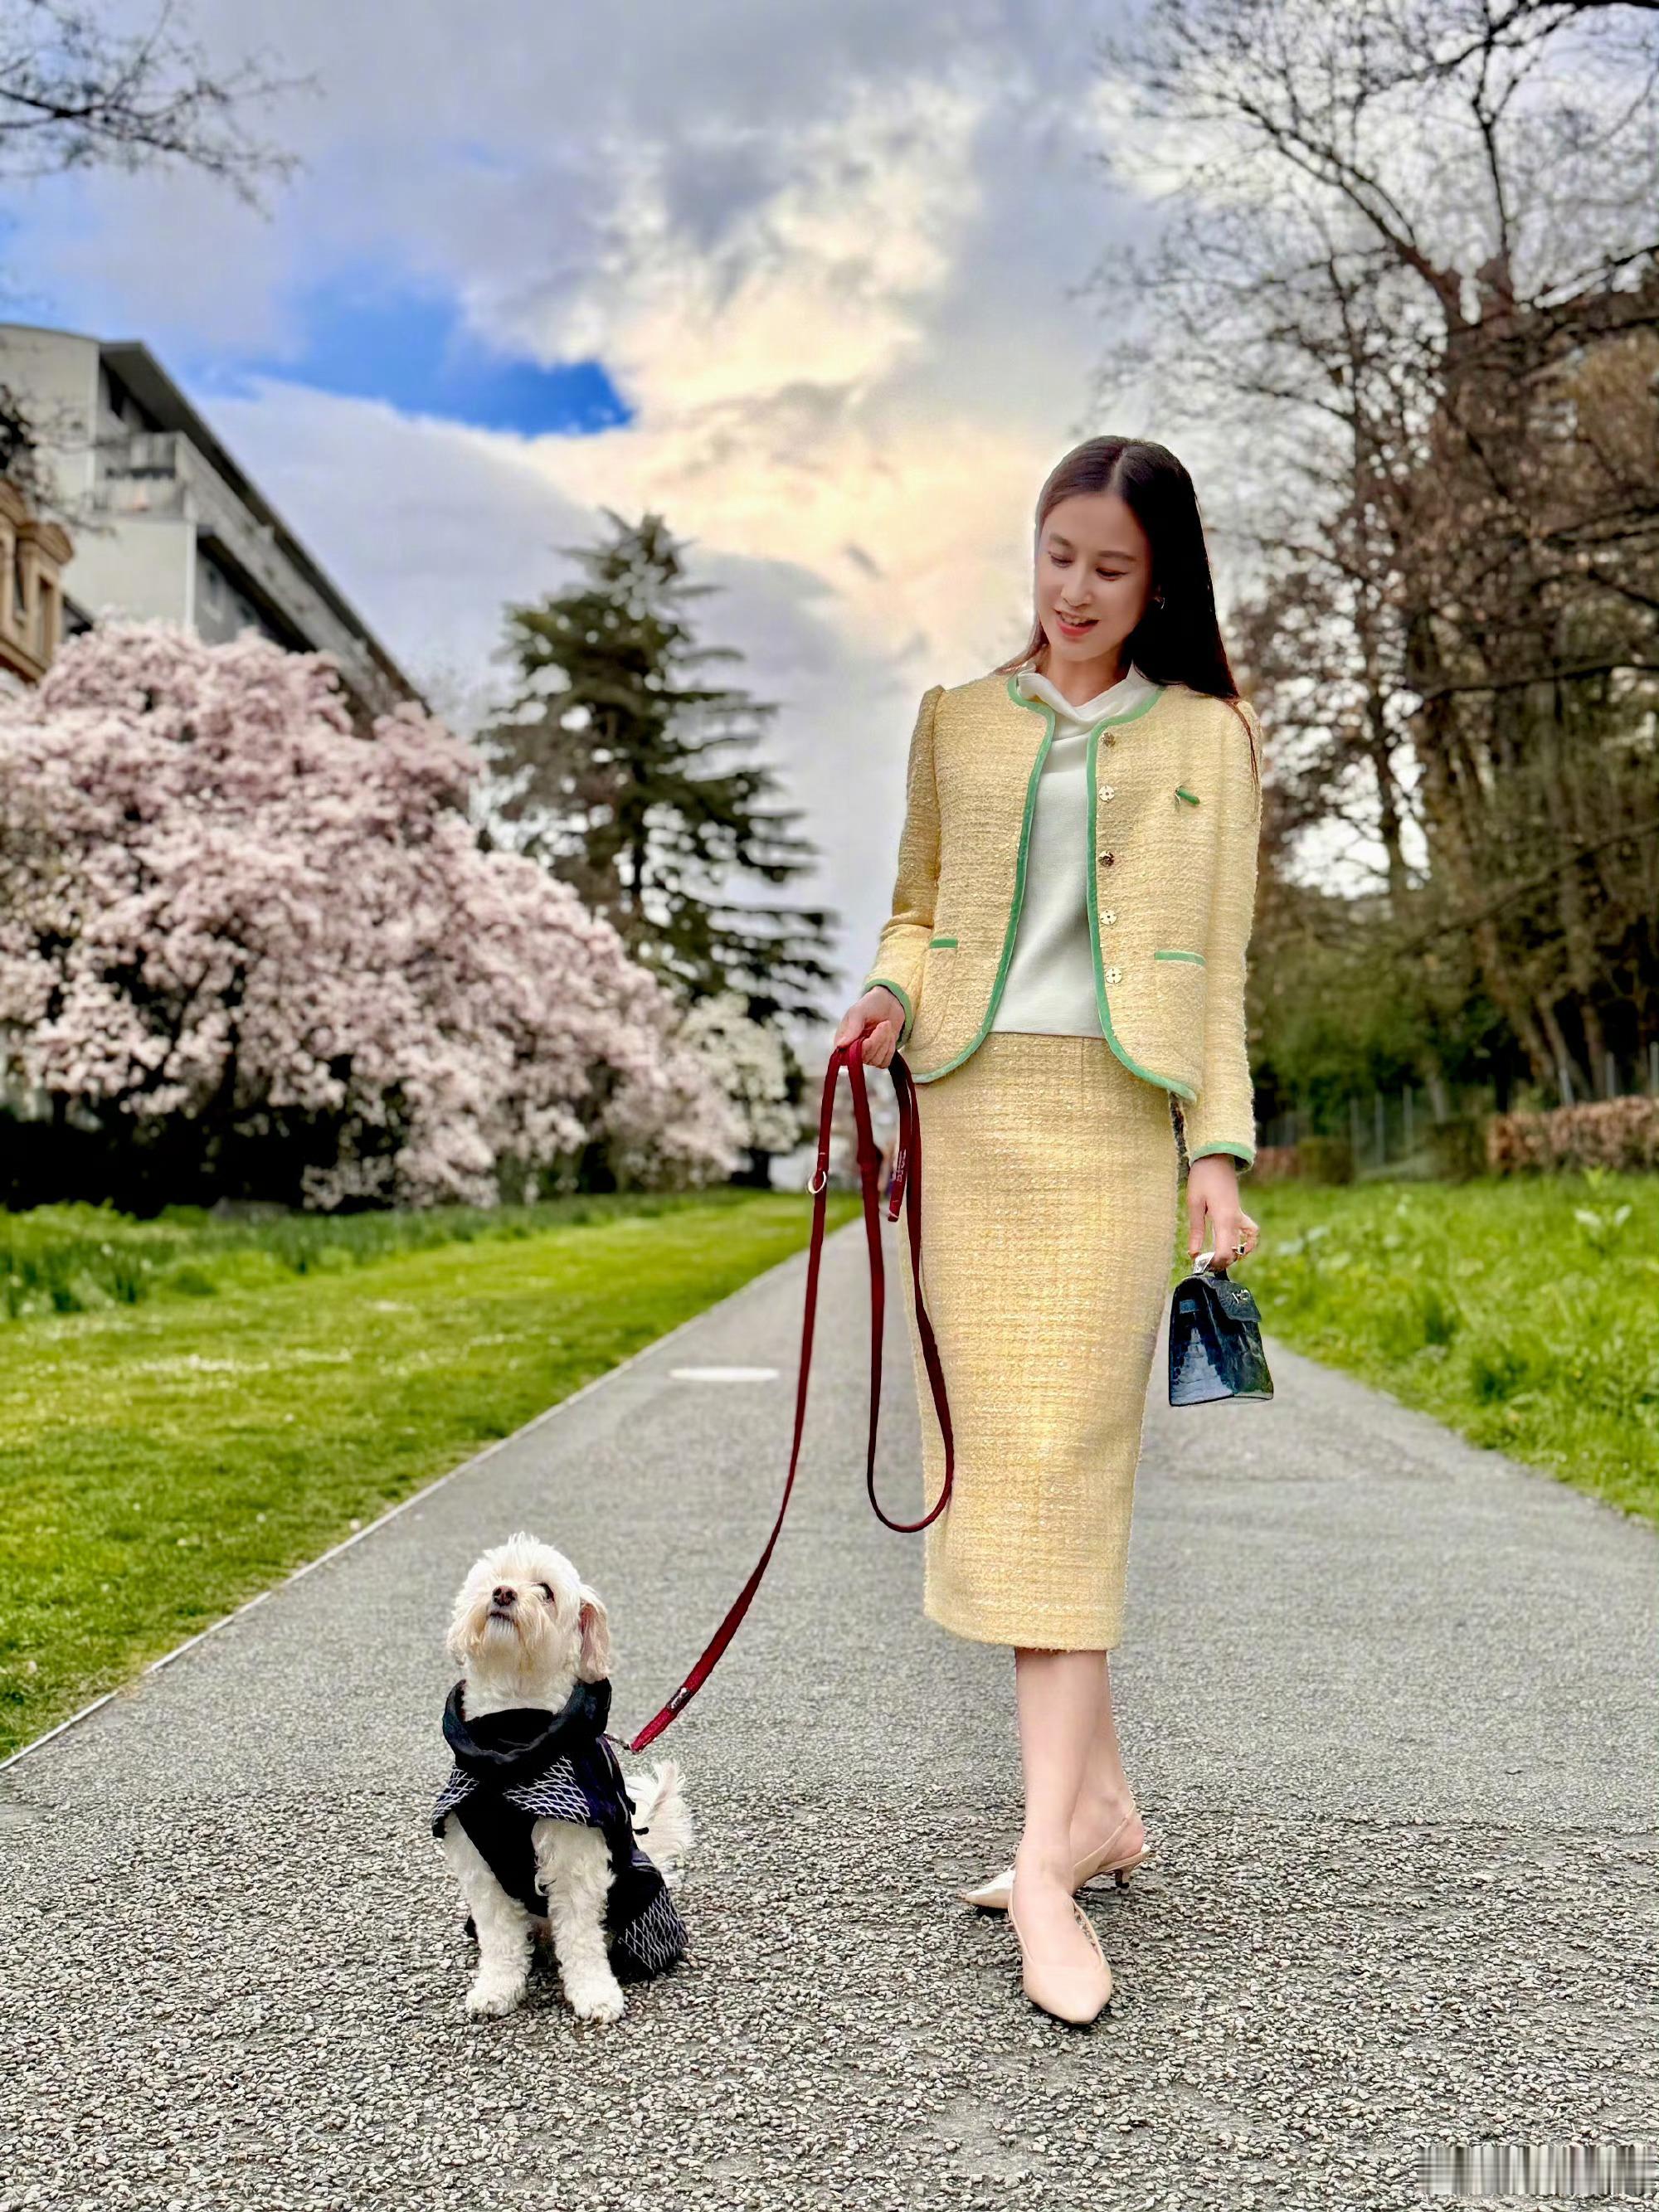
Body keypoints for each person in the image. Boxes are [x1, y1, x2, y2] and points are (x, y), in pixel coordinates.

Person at [834, 435, 1262, 2026]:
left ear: (1161, 582)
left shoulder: (1210, 735)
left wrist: (1216, 1154)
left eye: (1111, 568)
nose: (1074, 590)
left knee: (1067, 1473)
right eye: (1057, 554)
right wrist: (887, 997)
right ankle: (1098, 1812)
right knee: (1010, 1469)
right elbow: (917, 907)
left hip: (1112, 1130)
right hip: (970, 1120)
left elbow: (1218, 972)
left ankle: (1041, 1866)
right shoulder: (955, 719)